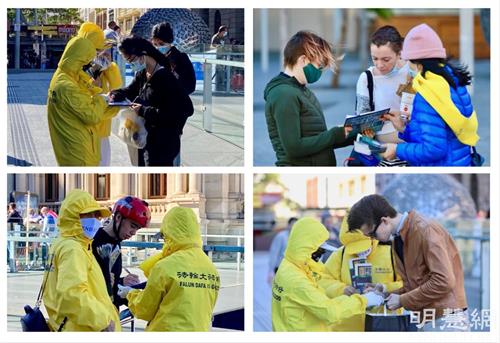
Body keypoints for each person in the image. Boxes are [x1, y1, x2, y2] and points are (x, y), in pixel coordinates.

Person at [348, 194, 469, 331]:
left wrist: (402, 300)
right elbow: (416, 285)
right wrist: (386, 293)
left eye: (372, 234)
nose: (373, 239)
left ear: (384, 220)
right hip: (431, 318)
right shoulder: (399, 237)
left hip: (447, 318)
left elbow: (443, 281)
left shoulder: (425, 230)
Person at [381, 24, 480, 166]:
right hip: (460, 162)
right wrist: (404, 128)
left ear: (419, 65)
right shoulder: (453, 82)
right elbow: (442, 133)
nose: (408, 67)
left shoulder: (428, 94)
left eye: (409, 62)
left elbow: (433, 149)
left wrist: (397, 149)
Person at [272, 217, 384, 331]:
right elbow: (330, 312)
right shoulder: (298, 281)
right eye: (321, 251)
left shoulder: (288, 265)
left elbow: (318, 297)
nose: (322, 256)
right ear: (308, 250)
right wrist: (365, 300)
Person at [117, 206, 219, 331]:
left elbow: (145, 310)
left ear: (169, 232)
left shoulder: (165, 266)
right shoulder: (211, 268)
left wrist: (130, 294)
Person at [264, 31, 353, 166]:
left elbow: (317, 141)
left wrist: (351, 134)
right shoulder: (284, 94)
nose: (320, 71)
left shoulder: (301, 90)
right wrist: (335, 134)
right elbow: (294, 147)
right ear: (303, 60)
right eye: (319, 66)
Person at [43, 189, 120, 331]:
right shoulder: (73, 248)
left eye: (97, 215)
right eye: (89, 214)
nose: (96, 220)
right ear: (74, 216)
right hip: (81, 327)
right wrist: (103, 320)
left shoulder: (66, 243)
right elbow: (71, 294)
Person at [110, 36, 194, 166]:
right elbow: (131, 90)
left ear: (143, 54)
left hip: (163, 142)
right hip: (145, 137)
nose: (131, 65)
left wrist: (143, 111)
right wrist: (116, 94)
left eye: (131, 60)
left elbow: (182, 110)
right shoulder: (143, 74)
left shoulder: (165, 78)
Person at [47, 22, 118, 166]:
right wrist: (102, 97)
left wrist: (109, 71)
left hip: (85, 142)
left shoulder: (69, 76)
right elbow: (92, 114)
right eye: (97, 51)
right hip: (80, 150)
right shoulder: (67, 85)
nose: (100, 56)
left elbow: (91, 95)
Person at [319, 213, 403, 331]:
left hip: (384, 323)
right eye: (354, 247)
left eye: (362, 245)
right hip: (347, 326)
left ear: (373, 235)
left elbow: (408, 284)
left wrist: (385, 289)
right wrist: (341, 289)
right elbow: (322, 280)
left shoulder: (391, 253)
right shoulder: (340, 254)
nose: (360, 252)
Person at [92, 196, 151, 309]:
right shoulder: (94, 242)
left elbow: (111, 284)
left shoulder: (116, 242)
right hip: (96, 315)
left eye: (137, 229)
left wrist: (123, 282)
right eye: (132, 226)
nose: (133, 232)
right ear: (118, 217)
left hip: (110, 313)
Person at [151, 22, 196, 166]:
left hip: (174, 112)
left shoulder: (180, 58)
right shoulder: (154, 58)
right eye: (155, 43)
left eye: (161, 43)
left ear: (169, 41)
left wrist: (171, 80)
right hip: (156, 112)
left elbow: (190, 85)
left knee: (172, 149)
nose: (158, 46)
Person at [267, 217, 298, 284]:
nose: (294, 227)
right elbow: (274, 253)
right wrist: (270, 271)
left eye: (296, 225)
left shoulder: (297, 238)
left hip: (292, 269)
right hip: (280, 268)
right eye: (292, 224)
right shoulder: (281, 236)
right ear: (288, 225)